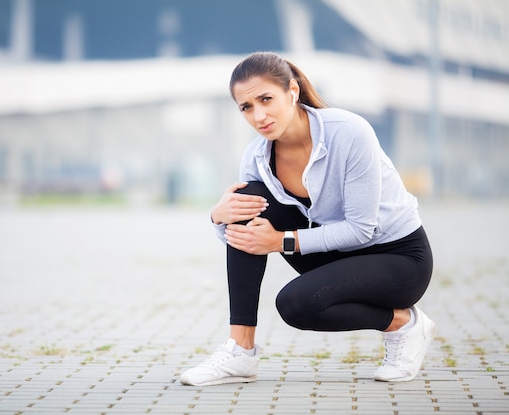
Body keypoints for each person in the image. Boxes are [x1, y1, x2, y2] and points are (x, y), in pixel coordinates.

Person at [180, 52, 436, 386]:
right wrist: (218, 217)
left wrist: (281, 241)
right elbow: (244, 236)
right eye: (246, 107)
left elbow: (361, 229)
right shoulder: (257, 157)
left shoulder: (349, 132)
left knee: (295, 304)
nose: (259, 115)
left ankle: (403, 324)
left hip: (398, 260)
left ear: (293, 91)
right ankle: (240, 351)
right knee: (247, 198)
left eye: (266, 99)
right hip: (336, 254)